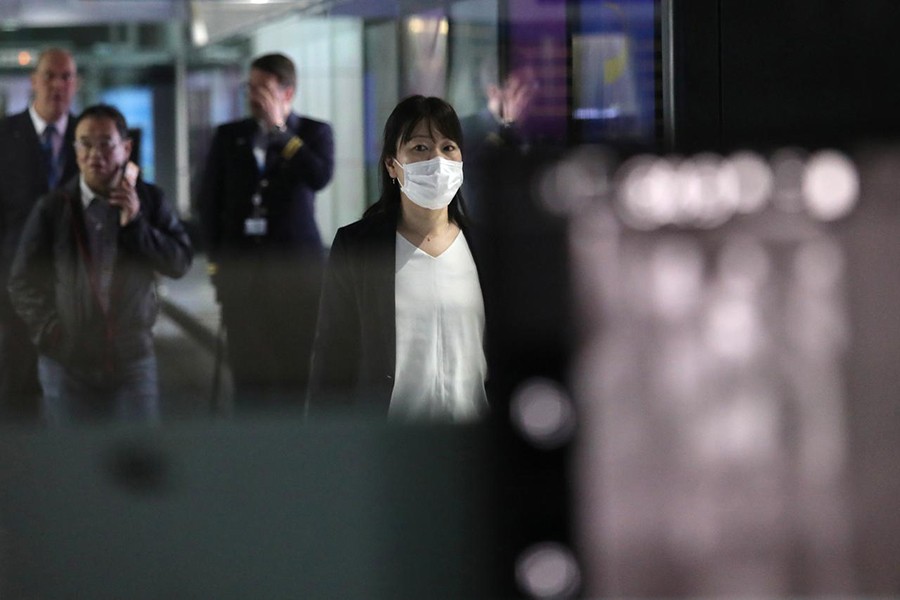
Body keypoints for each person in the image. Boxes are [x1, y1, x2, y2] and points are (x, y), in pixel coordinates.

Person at [307, 95, 489, 422]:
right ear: (393, 164)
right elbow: (333, 357)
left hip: (474, 447)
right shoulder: (359, 248)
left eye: (448, 147)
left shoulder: (486, 247)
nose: (437, 160)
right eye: (420, 148)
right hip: (391, 444)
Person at [8, 104, 193, 424]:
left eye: (106, 143)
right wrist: (50, 331)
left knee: (137, 461)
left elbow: (179, 262)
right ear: (75, 150)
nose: (95, 154)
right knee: (70, 464)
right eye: (85, 144)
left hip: (132, 360)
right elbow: (21, 280)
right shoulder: (54, 208)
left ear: (126, 148)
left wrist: (136, 223)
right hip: (66, 363)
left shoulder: (149, 201)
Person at [198, 52, 335, 410]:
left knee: (295, 370)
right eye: (251, 86)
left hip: (295, 273)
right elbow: (209, 203)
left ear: (287, 93)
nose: (253, 94)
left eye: (263, 87)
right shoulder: (230, 136)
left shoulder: (313, 133)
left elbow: (319, 176)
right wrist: (216, 267)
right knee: (248, 373)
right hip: (243, 274)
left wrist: (280, 132)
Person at [0, 48, 80, 420]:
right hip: (14, 285)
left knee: (73, 389)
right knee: (18, 386)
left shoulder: (90, 138)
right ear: (33, 81)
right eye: (49, 75)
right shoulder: (5, 136)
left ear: (75, 84)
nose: (57, 85)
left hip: (75, 288)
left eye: (65, 77)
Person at [459, 61, 536, 219]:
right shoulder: (466, 131)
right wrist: (510, 126)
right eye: (520, 88)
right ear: (494, 92)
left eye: (532, 86)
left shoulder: (537, 132)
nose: (529, 96)